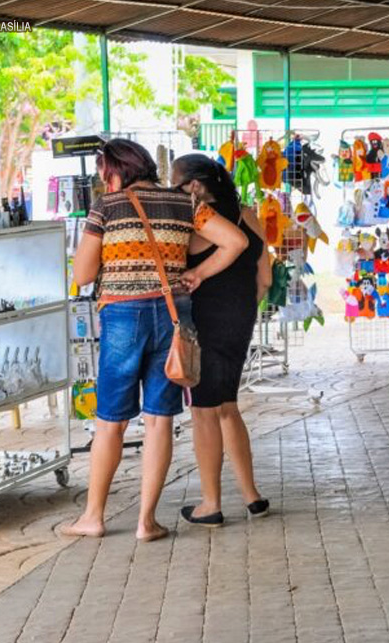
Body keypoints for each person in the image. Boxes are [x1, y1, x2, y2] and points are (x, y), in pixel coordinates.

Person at [65, 140, 248, 542]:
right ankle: (146, 522)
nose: (101, 179)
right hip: (172, 317)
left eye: (103, 172)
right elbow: (236, 241)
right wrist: (199, 274)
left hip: (123, 317)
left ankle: (93, 517)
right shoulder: (183, 203)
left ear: (114, 172)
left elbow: (81, 274)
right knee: (159, 420)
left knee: (110, 420)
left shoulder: (107, 206)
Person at [171, 154, 272, 527]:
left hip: (206, 322)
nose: (173, 192)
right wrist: (242, 308)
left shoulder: (196, 223)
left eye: (176, 185)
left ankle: (209, 503)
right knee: (228, 405)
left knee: (204, 411)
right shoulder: (248, 214)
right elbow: (265, 279)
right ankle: (252, 496)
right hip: (242, 319)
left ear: (195, 186)